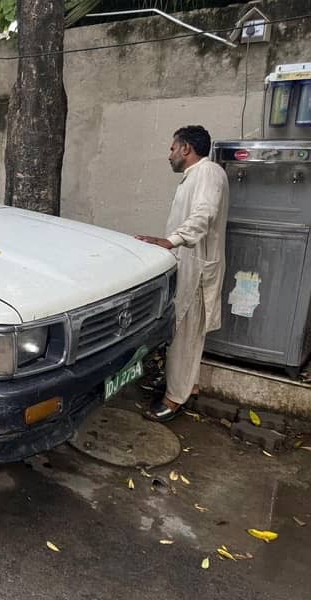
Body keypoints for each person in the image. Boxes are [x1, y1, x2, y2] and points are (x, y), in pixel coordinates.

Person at [136, 125, 229, 422]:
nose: (169, 155)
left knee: (185, 335)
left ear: (186, 148)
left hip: (197, 268)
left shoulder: (208, 172)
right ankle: (190, 387)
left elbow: (204, 214)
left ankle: (175, 399)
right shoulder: (198, 175)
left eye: (172, 148)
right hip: (189, 264)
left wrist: (170, 241)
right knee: (186, 333)